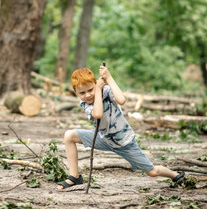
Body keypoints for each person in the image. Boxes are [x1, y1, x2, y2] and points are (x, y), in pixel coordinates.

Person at [57, 65, 185, 191]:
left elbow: (121, 100)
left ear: (96, 84)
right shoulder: (84, 102)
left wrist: (109, 78)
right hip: (104, 139)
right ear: (75, 92)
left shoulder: (105, 91)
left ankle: (176, 176)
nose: (88, 95)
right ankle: (74, 177)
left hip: (124, 143)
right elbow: (97, 114)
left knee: (152, 172)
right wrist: (96, 91)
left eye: (90, 90)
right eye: (82, 93)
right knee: (69, 136)